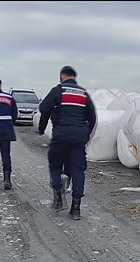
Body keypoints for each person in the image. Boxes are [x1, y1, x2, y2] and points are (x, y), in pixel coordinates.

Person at [38, 65, 97, 220]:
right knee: (78, 170)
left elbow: (43, 108)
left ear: (61, 76)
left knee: (55, 164)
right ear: (74, 77)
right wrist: (85, 135)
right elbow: (93, 118)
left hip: (61, 135)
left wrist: (44, 124)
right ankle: (76, 209)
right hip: (79, 137)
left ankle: (58, 198)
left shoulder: (58, 90)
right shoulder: (84, 93)